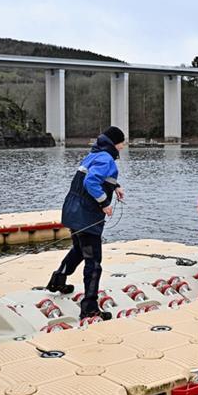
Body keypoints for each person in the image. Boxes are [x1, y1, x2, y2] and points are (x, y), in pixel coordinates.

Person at [46, 126, 126, 320]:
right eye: (123, 142)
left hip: (72, 211)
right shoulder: (107, 159)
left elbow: (94, 174)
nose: (124, 146)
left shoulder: (94, 155)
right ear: (115, 143)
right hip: (87, 216)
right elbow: (90, 182)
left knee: (80, 250)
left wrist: (115, 186)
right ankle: (89, 308)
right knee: (93, 262)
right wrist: (104, 203)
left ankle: (58, 280)